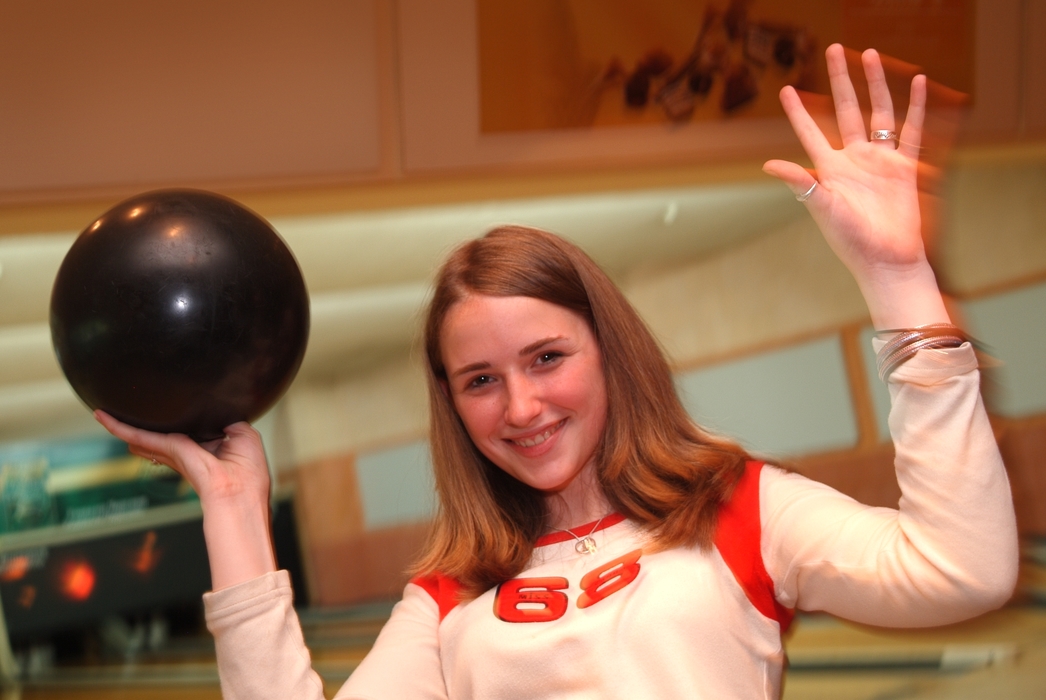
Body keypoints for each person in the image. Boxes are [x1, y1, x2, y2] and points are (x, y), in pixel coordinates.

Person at [96, 45, 1018, 699]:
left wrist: (899, 282)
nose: (523, 406)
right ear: (452, 404)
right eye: (480, 380)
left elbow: (962, 572)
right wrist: (230, 509)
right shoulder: (448, 597)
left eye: (547, 358)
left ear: (608, 350)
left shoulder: (739, 508)